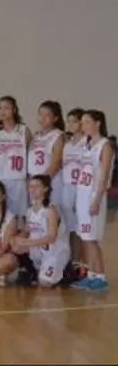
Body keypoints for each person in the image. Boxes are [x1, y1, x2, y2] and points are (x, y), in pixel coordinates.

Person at [71, 110, 113, 292]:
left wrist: (96, 200)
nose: (83, 126)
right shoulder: (86, 144)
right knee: (85, 238)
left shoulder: (105, 145)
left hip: (94, 196)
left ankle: (101, 277)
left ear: (98, 123)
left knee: (92, 239)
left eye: (87, 122)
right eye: (82, 122)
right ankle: (91, 275)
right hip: (82, 194)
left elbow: (104, 177)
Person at [10, 174, 70, 288]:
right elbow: (25, 232)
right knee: (16, 247)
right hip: (39, 250)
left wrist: (27, 242)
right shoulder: (30, 211)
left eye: (37, 186)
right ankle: (30, 271)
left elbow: (51, 237)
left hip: (54, 252)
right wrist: (14, 239)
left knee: (45, 283)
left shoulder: (51, 210)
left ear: (45, 189)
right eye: (31, 186)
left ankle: (67, 269)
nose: (32, 189)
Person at [0, 96, 31, 218]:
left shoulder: (23, 130)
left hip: (17, 179)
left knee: (18, 216)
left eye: (6, 108)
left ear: (14, 110)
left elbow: (29, 156)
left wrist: (28, 179)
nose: (2, 111)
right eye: (0, 108)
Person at [28, 101, 65, 208]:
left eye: (47, 115)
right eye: (40, 114)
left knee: (50, 213)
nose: (42, 118)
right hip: (35, 183)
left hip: (49, 182)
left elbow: (56, 163)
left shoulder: (58, 136)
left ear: (55, 118)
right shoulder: (36, 136)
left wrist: (42, 183)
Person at [62, 108, 86, 269]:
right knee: (69, 228)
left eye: (73, 121)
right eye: (68, 121)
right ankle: (70, 262)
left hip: (81, 188)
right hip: (67, 187)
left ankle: (79, 262)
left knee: (80, 229)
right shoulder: (68, 144)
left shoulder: (87, 144)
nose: (70, 124)